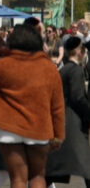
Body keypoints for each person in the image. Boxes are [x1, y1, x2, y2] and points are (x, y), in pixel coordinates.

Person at [0, 24, 65, 188]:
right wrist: (59, 135)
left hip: (9, 129)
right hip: (39, 129)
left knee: (17, 179)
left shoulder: (5, 64)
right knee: (38, 177)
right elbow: (58, 105)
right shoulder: (48, 68)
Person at [46, 36, 90, 186]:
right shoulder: (76, 70)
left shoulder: (64, 68)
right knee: (84, 164)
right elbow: (78, 97)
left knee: (54, 167)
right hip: (73, 123)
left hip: (64, 120)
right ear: (79, 52)